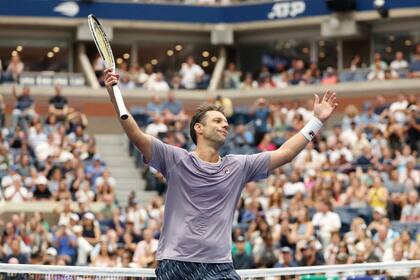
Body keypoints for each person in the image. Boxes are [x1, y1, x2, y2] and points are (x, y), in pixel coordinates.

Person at [103, 68, 338, 279]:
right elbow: (136, 135)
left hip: (219, 266)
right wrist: (115, 94)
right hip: (176, 264)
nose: (225, 125)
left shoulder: (239, 166)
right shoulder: (176, 159)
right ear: (199, 128)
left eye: (226, 122)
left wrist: (316, 122)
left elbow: (285, 153)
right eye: (217, 120)